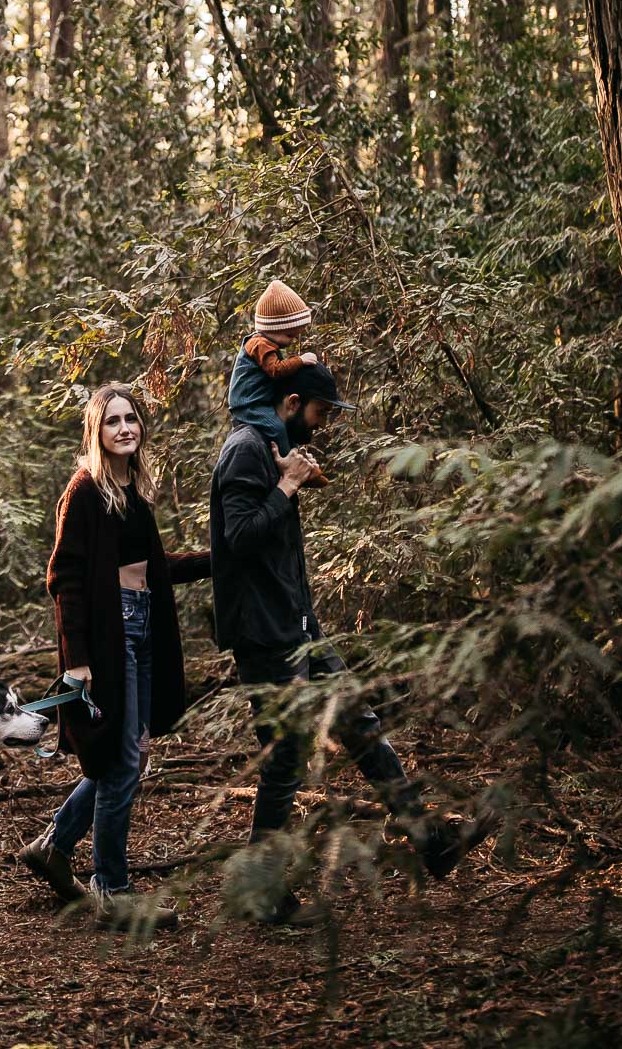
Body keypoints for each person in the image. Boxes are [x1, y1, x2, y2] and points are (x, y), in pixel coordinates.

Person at [210, 360, 493, 924]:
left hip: (298, 627)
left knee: (360, 724)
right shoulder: (245, 449)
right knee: (285, 756)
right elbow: (238, 537)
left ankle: (431, 840)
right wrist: (287, 486)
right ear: (292, 403)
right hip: (265, 634)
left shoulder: (271, 446)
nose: (323, 424)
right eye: (320, 412)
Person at [20, 382, 210, 923]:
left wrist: (217, 560)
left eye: (131, 419)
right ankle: (112, 889)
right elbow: (65, 577)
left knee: (130, 754)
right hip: (110, 635)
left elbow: (153, 567)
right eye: (112, 421)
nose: (124, 428)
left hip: (144, 626)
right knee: (123, 758)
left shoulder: (132, 489)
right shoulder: (85, 490)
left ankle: (54, 845)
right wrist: (78, 659)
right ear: (96, 431)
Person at [228, 280, 329, 483]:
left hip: (260, 398)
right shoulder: (259, 345)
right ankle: (291, 467)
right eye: (289, 335)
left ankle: (300, 462)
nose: (292, 340)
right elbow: (275, 370)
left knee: (286, 428)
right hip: (248, 403)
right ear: (273, 328)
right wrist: (300, 360)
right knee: (276, 428)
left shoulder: (267, 343)